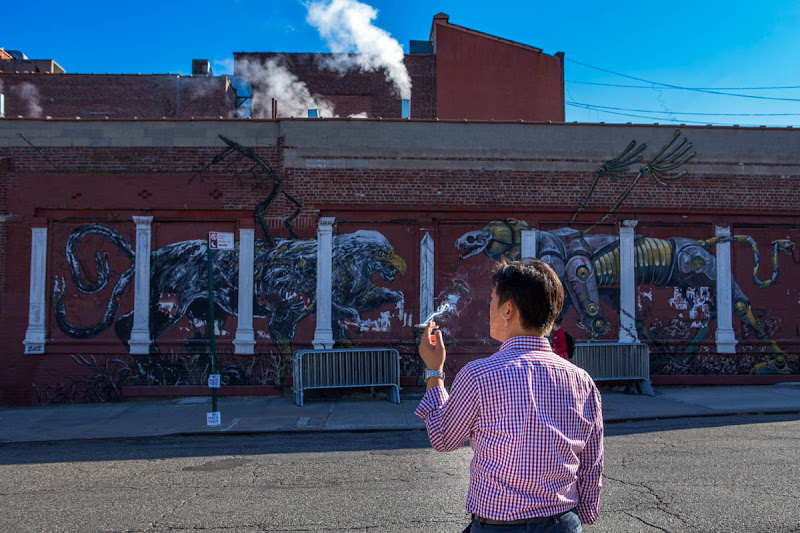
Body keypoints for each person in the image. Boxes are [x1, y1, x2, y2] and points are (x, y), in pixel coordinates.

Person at [415, 259, 604, 532]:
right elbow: (590, 466)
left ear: (507, 309)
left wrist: (434, 371)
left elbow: (444, 438)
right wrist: (583, 514)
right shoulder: (583, 382)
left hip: (499, 525)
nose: (488, 308)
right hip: (562, 522)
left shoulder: (479, 375)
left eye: (491, 300)